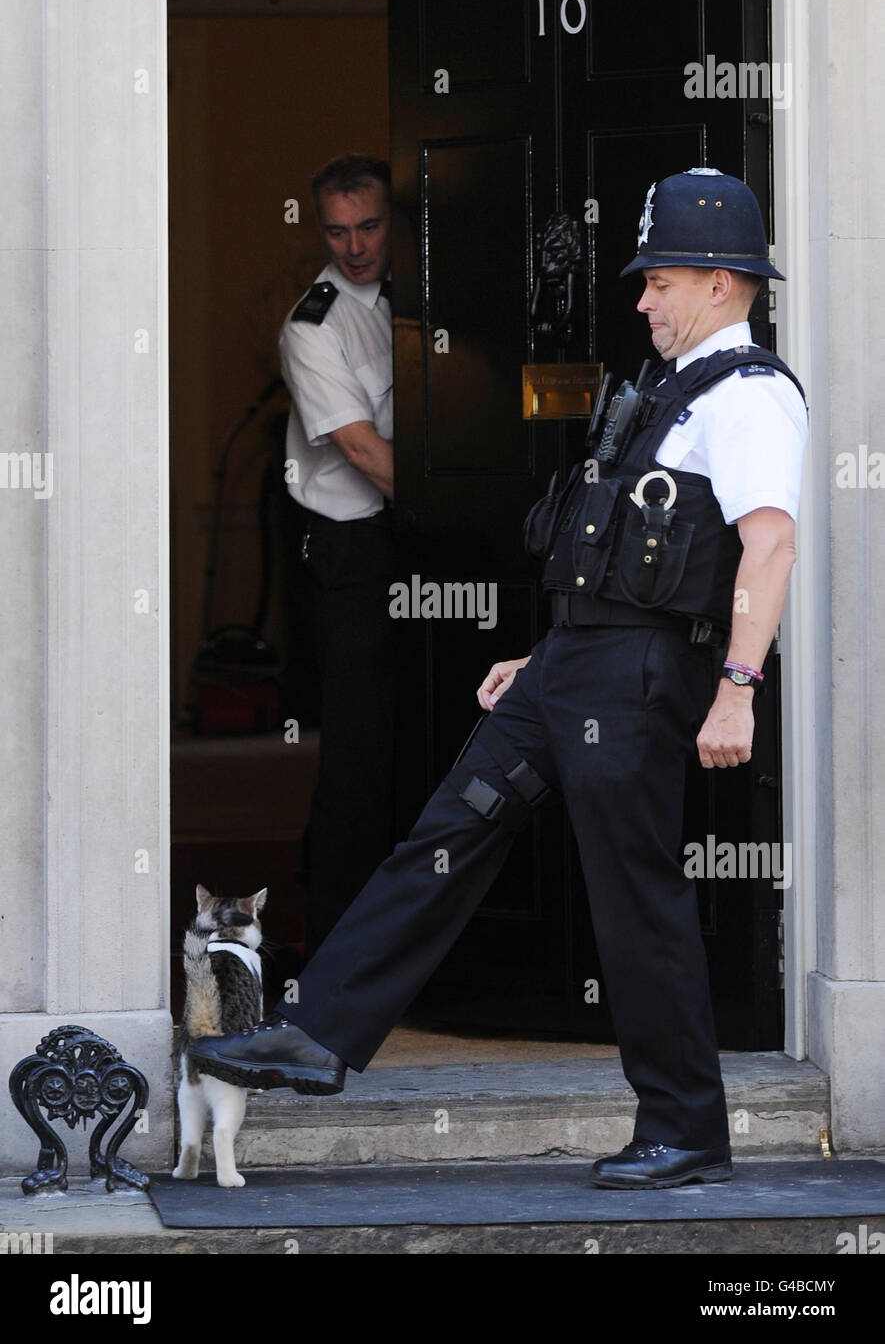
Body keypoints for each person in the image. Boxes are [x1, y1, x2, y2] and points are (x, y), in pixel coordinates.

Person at [192, 169, 807, 1190]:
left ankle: (686, 1127)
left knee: (635, 897)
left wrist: (737, 684)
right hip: (576, 664)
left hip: (645, 677)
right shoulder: (668, 388)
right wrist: (546, 654)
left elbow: (770, 548)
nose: (643, 299)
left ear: (718, 280)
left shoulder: (750, 399)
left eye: (658, 281)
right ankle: (317, 1034)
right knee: (447, 830)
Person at [279, 153, 397, 955]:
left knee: (432, 738)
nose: (353, 247)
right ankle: (333, 958)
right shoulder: (312, 323)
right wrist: (474, 513)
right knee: (356, 752)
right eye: (336, 230)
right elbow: (361, 448)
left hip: (413, 535)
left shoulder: (427, 295)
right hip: (355, 547)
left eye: (370, 226)